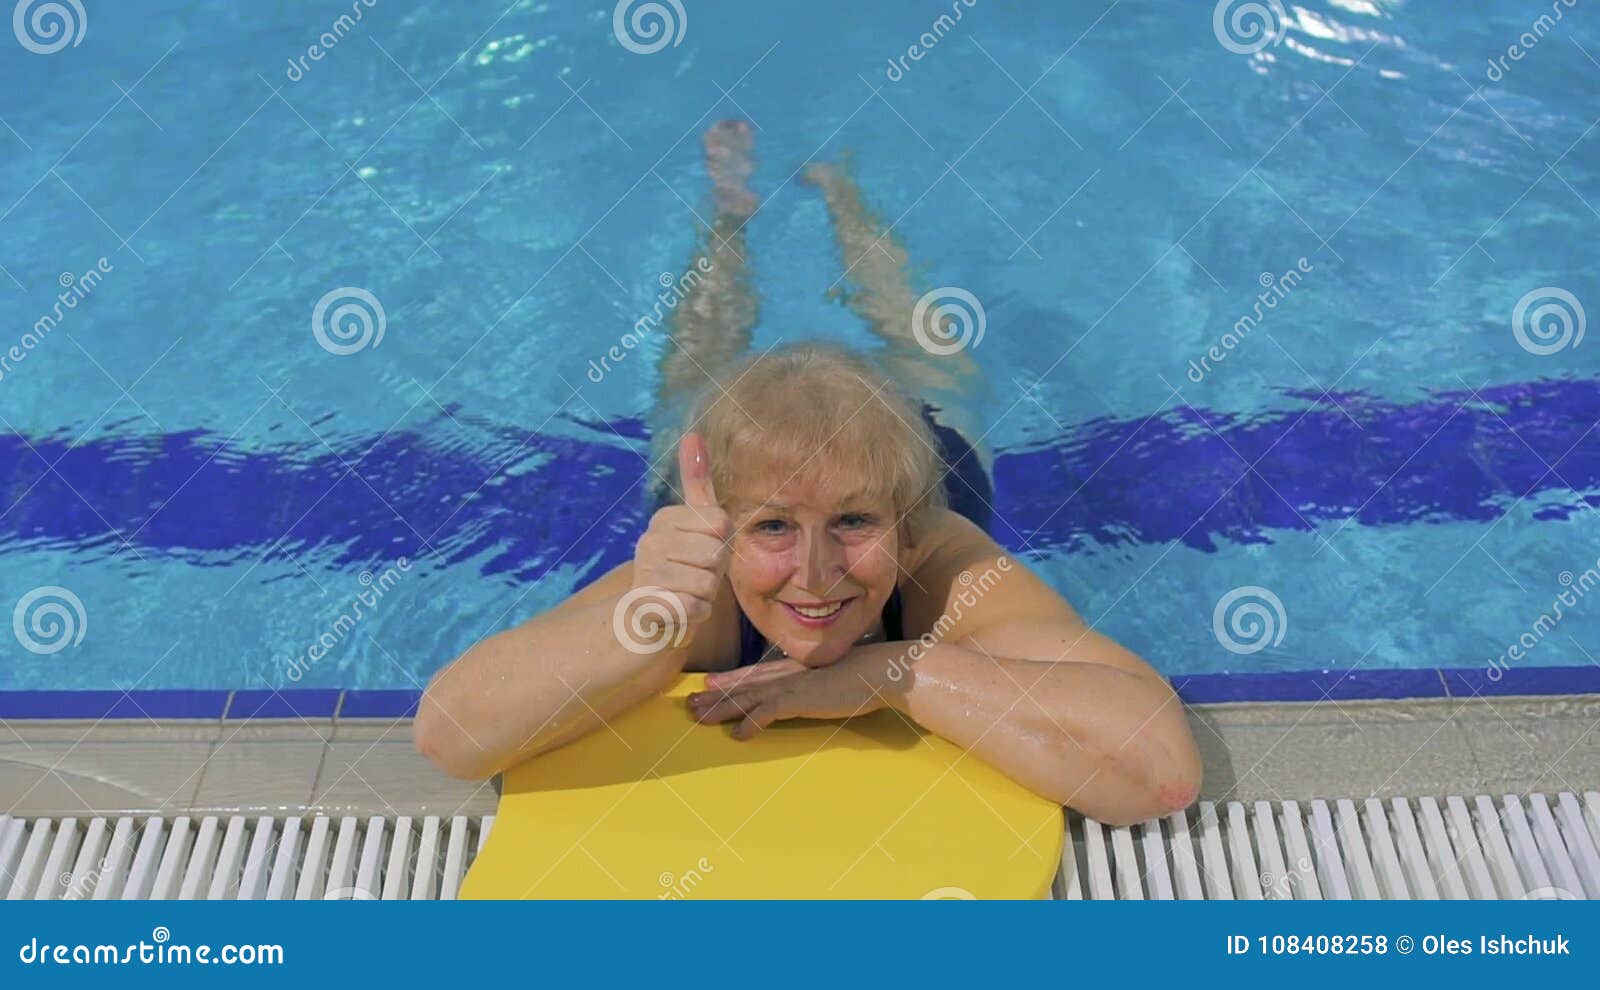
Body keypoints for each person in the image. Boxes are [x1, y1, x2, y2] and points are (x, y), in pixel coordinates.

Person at [414, 122, 1201, 826]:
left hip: (921, 441)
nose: (816, 577)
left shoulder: (946, 568)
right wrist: (644, 618)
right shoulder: (698, 591)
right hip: (729, 464)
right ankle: (729, 216)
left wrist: (898, 672)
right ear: (723, 532)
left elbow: (1160, 775)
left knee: (925, 350)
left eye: (855, 523)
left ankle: (844, 197)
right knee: (698, 364)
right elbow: (451, 737)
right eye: (773, 529)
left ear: (908, 523)